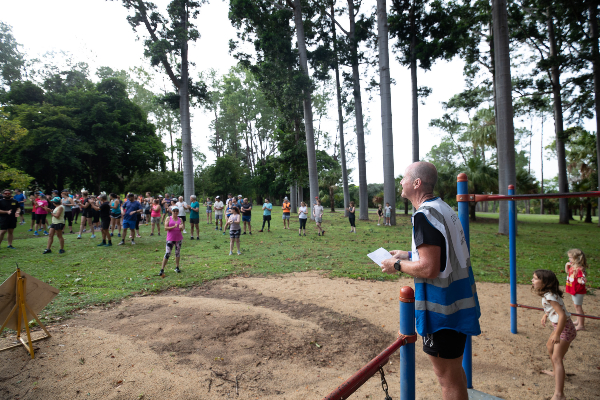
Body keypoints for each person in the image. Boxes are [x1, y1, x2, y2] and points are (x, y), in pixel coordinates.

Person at [380, 161, 480, 400]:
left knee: (447, 379)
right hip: (458, 305)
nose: (400, 182)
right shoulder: (443, 208)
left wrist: (396, 265)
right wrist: (408, 255)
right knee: (455, 373)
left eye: (404, 178)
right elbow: (443, 254)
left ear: (416, 183)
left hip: (441, 311)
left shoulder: (424, 215)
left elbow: (429, 268)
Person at [532, 269, 576, 400]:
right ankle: (556, 372)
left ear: (545, 282)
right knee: (550, 347)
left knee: (557, 358)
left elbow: (562, 315)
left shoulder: (550, 296)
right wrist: (546, 314)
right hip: (561, 327)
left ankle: (559, 394)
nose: (532, 281)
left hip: (564, 328)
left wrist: (557, 334)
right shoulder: (549, 294)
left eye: (535, 278)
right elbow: (556, 308)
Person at [564, 249, 587, 331]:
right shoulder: (573, 266)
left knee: (578, 307)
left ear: (577, 259)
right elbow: (567, 272)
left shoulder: (579, 269)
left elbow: (582, 279)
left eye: (570, 257)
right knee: (576, 306)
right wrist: (567, 265)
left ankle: (581, 325)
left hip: (578, 291)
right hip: (573, 289)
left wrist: (581, 280)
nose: (569, 259)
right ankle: (578, 320)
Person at [159, 206, 183, 277]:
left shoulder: (180, 219)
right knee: (167, 253)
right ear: (171, 211)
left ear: (178, 212)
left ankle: (177, 267)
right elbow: (165, 228)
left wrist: (181, 228)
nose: (175, 212)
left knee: (177, 253)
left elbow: (182, 228)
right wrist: (173, 227)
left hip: (178, 238)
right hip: (170, 239)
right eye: (174, 211)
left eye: (176, 211)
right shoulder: (168, 218)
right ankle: (162, 269)